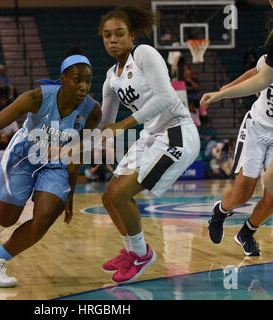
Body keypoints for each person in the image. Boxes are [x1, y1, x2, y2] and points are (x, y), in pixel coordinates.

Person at [0, 49, 101, 287]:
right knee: (8, 219)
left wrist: (70, 196)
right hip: (24, 155)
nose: (84, 86)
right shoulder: (37, 97)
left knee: (45, 217)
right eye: (78, 80)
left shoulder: (92, 112)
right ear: (63, 78)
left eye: (88, 81)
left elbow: (77, 153)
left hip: (56, 163)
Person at [98, 5, 200, 284]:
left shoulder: (143, 54)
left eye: (119, 34)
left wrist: (123, 124)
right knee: (109, 198)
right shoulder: (110, 77)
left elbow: (167, 98)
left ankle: (142, 255)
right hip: (151, 135)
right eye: (107, 35)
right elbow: (104, 123)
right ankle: (133, 251)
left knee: (121, 195)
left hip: (176, 132)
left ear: (132, 36)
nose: (113, 40)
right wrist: (71, 135)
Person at [205, 54, 273, 256]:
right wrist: (226, 89)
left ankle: (247, 233)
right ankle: (220, 212)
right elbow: (256, 73)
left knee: (272, 197)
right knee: (242, 194)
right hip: (256, 129)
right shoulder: (270, 57)